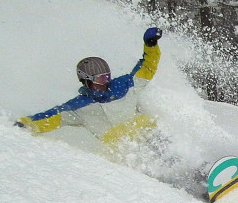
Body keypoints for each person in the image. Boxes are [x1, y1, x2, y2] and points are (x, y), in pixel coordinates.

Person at [16, 27, 163, 147]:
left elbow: (147, 67)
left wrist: (151, 46)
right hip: (123, 149)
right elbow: (50, 117)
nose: (105, 82)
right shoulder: (79, 107)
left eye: (107, 77)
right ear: (86, 81)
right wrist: (27, 124)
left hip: (147, 135)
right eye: (100, 79)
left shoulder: (125, 85)